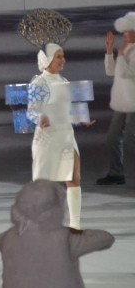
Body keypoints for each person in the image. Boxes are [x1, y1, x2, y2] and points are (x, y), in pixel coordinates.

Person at [27, 43, 87, 230]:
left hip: (66, 135)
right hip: (47, 139)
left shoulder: (64, 81)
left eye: (63, 56)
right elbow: (31, 112)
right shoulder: (39, 83)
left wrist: (80, 118)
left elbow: (67, 110)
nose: (63, 60)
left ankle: (75, 226)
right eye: (58, 56)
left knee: (74, 177)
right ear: (47, 60)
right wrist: (40, 119)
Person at [97, 13, 135, 185]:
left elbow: (128, 74)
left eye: (128, 31)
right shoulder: (125, 49)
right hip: (121, 101)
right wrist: (109, 50)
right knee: (113, 137)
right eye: (124, 32)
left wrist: (120, 56)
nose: (125, 35)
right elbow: (111, 72)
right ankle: (116, 173)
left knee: (130, 140)